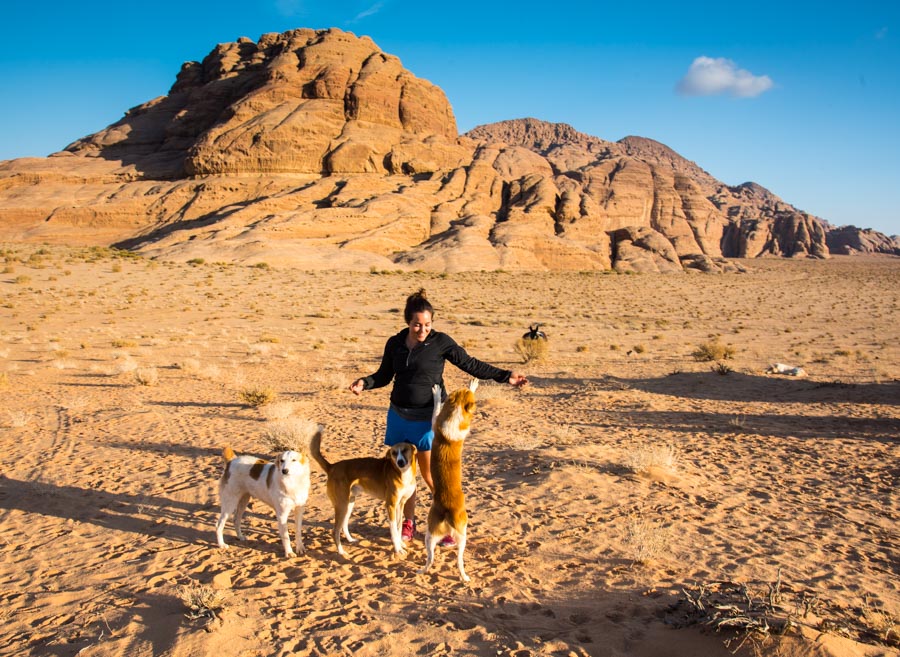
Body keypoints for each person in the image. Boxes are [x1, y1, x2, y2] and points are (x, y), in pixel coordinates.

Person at [350, 288, 528, 544]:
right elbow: (384, 375)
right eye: (416, 325)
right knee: (403, 476)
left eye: (427, 325)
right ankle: (408, 525)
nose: (422, 330)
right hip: (399, 416)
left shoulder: (441, 342)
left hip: (427, 419)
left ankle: (447, 521)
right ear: (407, 322)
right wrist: (364, 383)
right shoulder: (395, 344)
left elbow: (471, 364)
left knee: (431, 476)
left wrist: (505, 376)